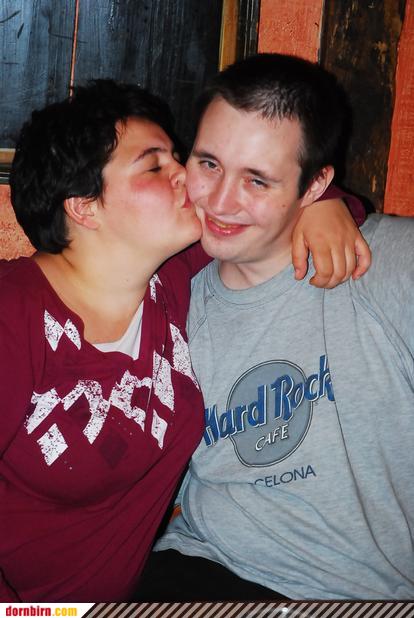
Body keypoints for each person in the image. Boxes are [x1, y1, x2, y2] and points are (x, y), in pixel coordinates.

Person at [0, 78, 366, 602]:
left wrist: (325, 203)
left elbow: (271, 212)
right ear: (83, 206)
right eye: (154, 166)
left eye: (178, 157)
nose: (187, 176)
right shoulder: (13, 312)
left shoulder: (173, 280)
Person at [140, 54, 414, 601]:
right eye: (209, 163)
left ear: (315, 186)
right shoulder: (166, 294)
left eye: (257, 180)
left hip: (363, 593)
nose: (219, 203)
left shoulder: (390, 266)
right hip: (204, 566)